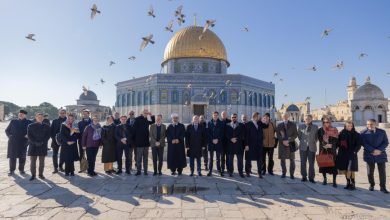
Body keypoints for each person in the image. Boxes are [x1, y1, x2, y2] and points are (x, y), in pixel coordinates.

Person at [361, 119, 389, 193]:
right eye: (368, 124)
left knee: (382, 172)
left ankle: (383, 187)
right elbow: (364, 143)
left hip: (381, 154)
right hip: (369, 154)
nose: (369, 126)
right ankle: (372, 185)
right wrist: (373, 150)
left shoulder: (382, 132)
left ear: (375, 124)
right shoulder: (363, 133)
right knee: (370, 172)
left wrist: (379, 150)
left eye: (371, 124)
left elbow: (385, 142)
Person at [5, 109, 32, 176]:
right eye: (19, 114)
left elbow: (32, 132)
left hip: (23, 142)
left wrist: (28, 137)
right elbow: (7, 130)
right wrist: (10, 136)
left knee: (22, 157)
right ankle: (11, 170)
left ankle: (21, 170)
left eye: (22, 114)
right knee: (12, 157)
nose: (20, 115)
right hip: (13, 142)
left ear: (25, 115)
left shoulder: (29, 122)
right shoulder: (13, 121)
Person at [337, 121, 361, 190]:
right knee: (345, 168)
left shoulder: (356, 134)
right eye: (348, 126)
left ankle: (353, 183)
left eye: (351, 126)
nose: (349, 127)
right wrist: (340, 143)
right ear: (345, 126)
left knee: (351, 169)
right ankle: (348, 182)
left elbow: (359, 144)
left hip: (352, 153)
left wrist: (355, 151)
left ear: (353, 126)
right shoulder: (341, 133)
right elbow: (337, 142)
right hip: (343, 153)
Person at [27, 112, 51, 180]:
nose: (40, 118)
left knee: (42, 162)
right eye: (38, 117)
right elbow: (29, 136)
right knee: (33, 162)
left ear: (43, 118)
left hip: (43, 145)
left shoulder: (47, 126)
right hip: (33, 146)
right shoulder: (30, 126)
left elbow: (48, 136)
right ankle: (33, 175)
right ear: (36, 117)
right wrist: (35, 142)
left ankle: (41, 174)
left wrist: (42, 142)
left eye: (41, 117)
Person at [245, 112, 269, 178]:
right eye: (259, 116)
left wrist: (266, 120)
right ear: (255, 116)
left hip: (259, 145)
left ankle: (259, 173)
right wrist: (246, 145)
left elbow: (266, 126)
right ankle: (248, 172)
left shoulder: (260, 123)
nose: (260, 117)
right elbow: (246, 135)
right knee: (248, 159)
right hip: (250, 144)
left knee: (259, 159)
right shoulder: (248, 124)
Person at [317, 116, 339, 187]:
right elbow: (320, 139)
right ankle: (325, 179)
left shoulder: (334, 129)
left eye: (328, 122)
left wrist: (331, 145)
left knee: (334, 165)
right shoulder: (320, 130)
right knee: (324, 164)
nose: (326, 123)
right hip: (323, 149)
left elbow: (336, 139)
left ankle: (334, 181)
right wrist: (325, 145)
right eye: (325, 122)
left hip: (332, 150)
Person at [133, 109, 155, 175]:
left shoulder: (148, 118)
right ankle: (138, 171)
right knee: (138, 158)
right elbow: (134, 130)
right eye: (145, 113)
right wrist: (134, 141)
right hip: (139, 142)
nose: (146, 114)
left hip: (146, 141)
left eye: (146, 113)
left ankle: (145, 171)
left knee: (145, 158)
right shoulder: (137, 119)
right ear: (142, 113)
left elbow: (152, 122)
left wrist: (151, 115)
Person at [276, 112, 298, 179]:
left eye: (286, 116)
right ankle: (284, 173)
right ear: (282, 117)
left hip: (290, 144)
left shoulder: (293, 124)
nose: (285, 117)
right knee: (282, 160)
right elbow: (278, 135)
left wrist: (289, 140)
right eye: (284, 116)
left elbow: (295, 134)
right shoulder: (279, 125)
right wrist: (283, 141)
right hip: (282, 145)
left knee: (292, 160)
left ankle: (292, 174)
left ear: (288, 116)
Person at [298, 114, 318, 183]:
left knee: (311, 163)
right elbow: (299, 136)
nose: (307, 120)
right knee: (303, 162)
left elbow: (316, 137)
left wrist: (312, 142)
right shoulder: (300, 126)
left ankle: (311, 177)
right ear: (304, 119)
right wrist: (304, 142)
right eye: (306, 119)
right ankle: (304, 176)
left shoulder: (315, 127)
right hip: (303, 147)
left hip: (312, 147)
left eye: (309, 119)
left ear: (311, 119)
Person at [225, 113, 245, 177]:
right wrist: (231, 139)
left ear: (237, 117)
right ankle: (230, 172)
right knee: (230, 160)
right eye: (232, 117)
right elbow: (226, 134)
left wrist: (236, 139)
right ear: (231, 118)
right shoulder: (227, 125)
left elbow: (242, 134)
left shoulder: (241, 125)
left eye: (235, 117)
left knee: (240, 160)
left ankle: (240, 172)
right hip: (230, 145)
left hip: (238, 145)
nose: (234, 118)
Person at [207, 111, 225, 176]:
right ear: (212, 115)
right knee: (211, 158)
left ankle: (219, 170)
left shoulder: (221, 123)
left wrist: (217, 139)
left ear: (218, 116)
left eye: (216, 115)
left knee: (218, 158)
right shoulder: (209, 123)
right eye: (214, 115)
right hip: (211, 143)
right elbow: (208, 133)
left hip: (218, 142)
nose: (215, 116)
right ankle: (210, 171)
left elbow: (222, 133)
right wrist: (212, 139)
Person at [51, 109, 67, 173]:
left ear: (65, 113)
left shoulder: (68, 120)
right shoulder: (55, 121)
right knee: (55, 154)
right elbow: (51, 131)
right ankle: (55, 167)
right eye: (61, 113)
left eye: (63, 113)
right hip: (55, 140)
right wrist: (54, 139)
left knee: (63, 154)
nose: (62, 114)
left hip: (64, 141)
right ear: (59, 113)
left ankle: (60, 166)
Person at [77, 109, 92, 173]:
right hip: (81, 141)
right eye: (84, 114)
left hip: (90, 141)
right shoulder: (79, 123)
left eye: (86, 114)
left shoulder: (92, 122)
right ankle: (82, 168)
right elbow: (78, 133)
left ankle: (90, 168)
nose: (85, 115)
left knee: (90, 155)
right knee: (81, 155)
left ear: (89, 114)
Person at [220, 111, 231, 175]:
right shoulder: (220, 122)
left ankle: (228, 169)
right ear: (221, 115)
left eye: (225, 114)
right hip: (221, 142)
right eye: (223, 114)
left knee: (228, 157)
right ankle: (222, 169)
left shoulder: (229, 121)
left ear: (226, 115)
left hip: (228, 142)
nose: (224, 115)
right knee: (222, 157)